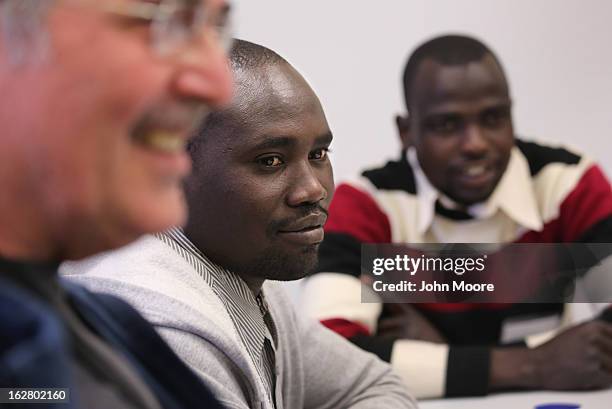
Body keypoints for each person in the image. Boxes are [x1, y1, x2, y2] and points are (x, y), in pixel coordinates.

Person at [63, 39, 418, 409]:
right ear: (171, 169)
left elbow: (377, 386)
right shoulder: (162, 327)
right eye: (270, 161)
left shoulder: (247, 266)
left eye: (318, 154)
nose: (313, 189)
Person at [301, 34, 612, 399]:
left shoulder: (565, 184)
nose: (476, 144)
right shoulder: (369, 204)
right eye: (447, 125)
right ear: (406, 132)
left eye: (493, 118)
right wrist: (536, 363)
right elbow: (325, 364)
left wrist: (437, 357)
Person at [0, 1, 234, 408]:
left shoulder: (108, 324)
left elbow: (368, 377)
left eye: (215, 25)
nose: (219, 84)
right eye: (170, 20)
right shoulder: (161, 305)